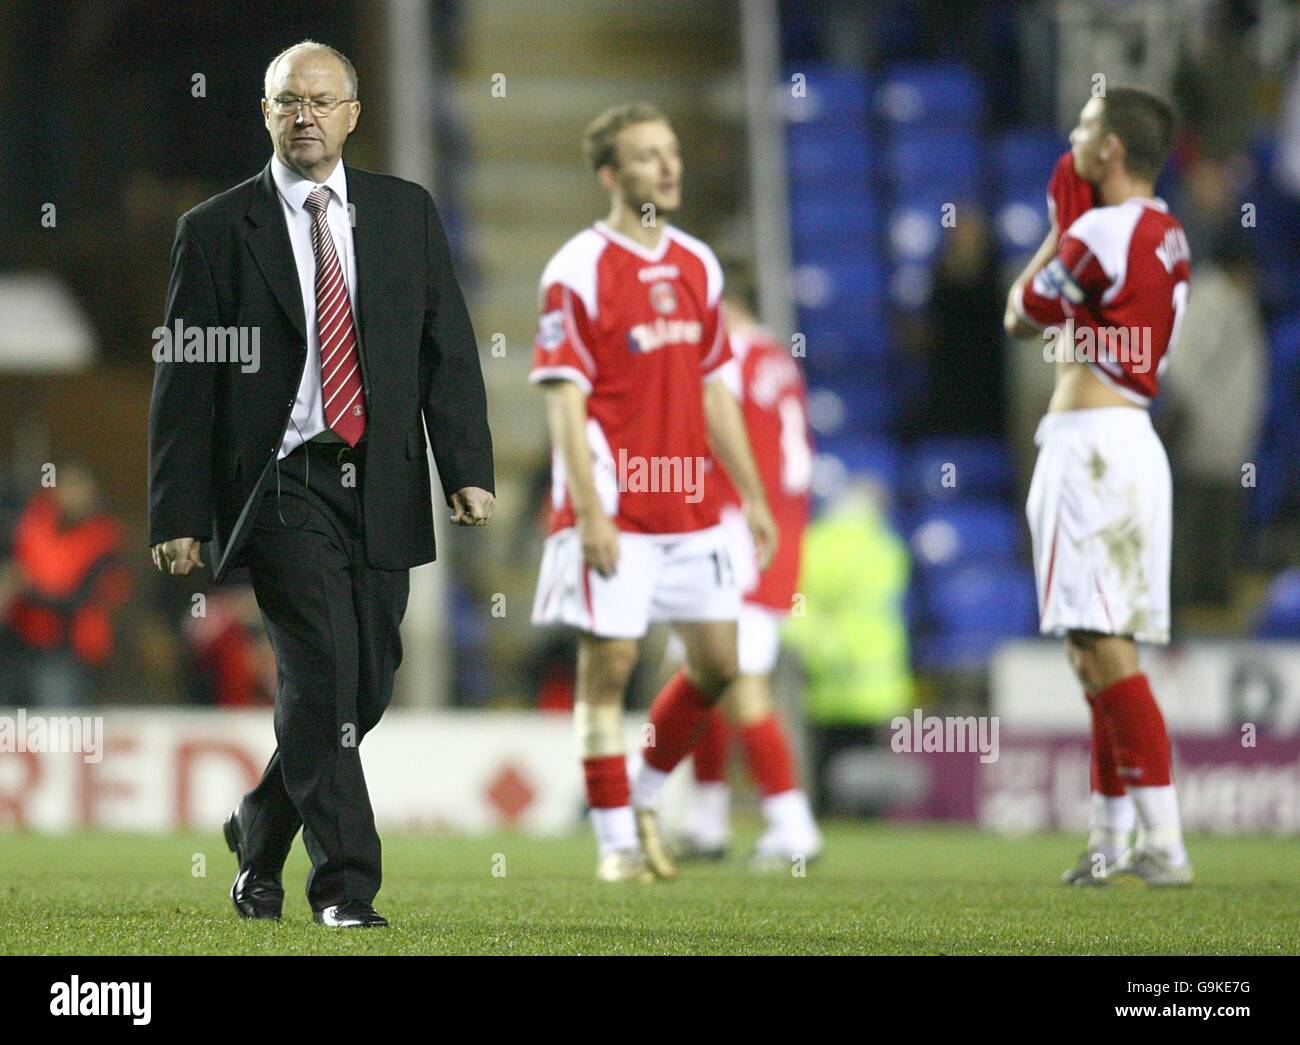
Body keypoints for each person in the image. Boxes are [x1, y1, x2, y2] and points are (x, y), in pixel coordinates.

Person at [148, 40, 495, 927]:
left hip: (380, 477)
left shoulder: (406, 213)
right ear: (266, 114)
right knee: (321, 673)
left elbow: (445, 349)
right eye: (287, 101)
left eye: (321, 99)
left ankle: (259, 829)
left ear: (353, 114)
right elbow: (186, 380)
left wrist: (466, 467)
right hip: (280, 485)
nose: (305, 115)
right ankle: (345, 887)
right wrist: (180, 509)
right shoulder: (217, 229)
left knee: (366, 683)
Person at [529, 103, 777, 882]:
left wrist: (754, 496)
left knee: (718, 663)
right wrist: (592, 513)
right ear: (611, 175)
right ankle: (614, 845)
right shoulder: (576, 269)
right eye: (646, 157)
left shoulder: (699, 264)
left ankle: (640, 790)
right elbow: (564, 402)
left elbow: (714, 389)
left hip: (691, 505)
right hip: (614, 507)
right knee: (609, 667)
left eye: (670, 152)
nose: (667, 167)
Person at [1005, 87, 1192, 886]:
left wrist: (1054, 227)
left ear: (1112, 149)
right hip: (1131, 442)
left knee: (1106, 649)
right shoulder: (1168, 232)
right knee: (1093, 650)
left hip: (1093, 451)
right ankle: (1110, 839)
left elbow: (1020, 312)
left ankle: (1165, 842)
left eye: (1084, 126)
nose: (1072, 135)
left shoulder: (1096, 232)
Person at [673, 270, 822, 867]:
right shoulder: (777, 360)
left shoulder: (728, 355)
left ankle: (793, 824)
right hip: (780, 531)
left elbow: (702, 431)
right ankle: (707, 817)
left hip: (739, 532)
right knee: (704, 670)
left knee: (736, 679)